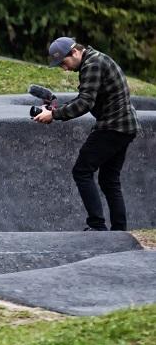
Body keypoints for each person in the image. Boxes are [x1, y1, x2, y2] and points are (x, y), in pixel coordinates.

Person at [34, 36, 140, 231]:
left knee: (82, 171)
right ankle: (119, 231)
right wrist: (54, 109)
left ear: (74, 52)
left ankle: (97, 226)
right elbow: (84, 97)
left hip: (113, 126)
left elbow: (84, 104)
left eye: (63, 63)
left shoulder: (92, 64)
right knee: (109, 180)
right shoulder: (94, 60)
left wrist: (55, 115)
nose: (64, 68)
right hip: (124, 126)